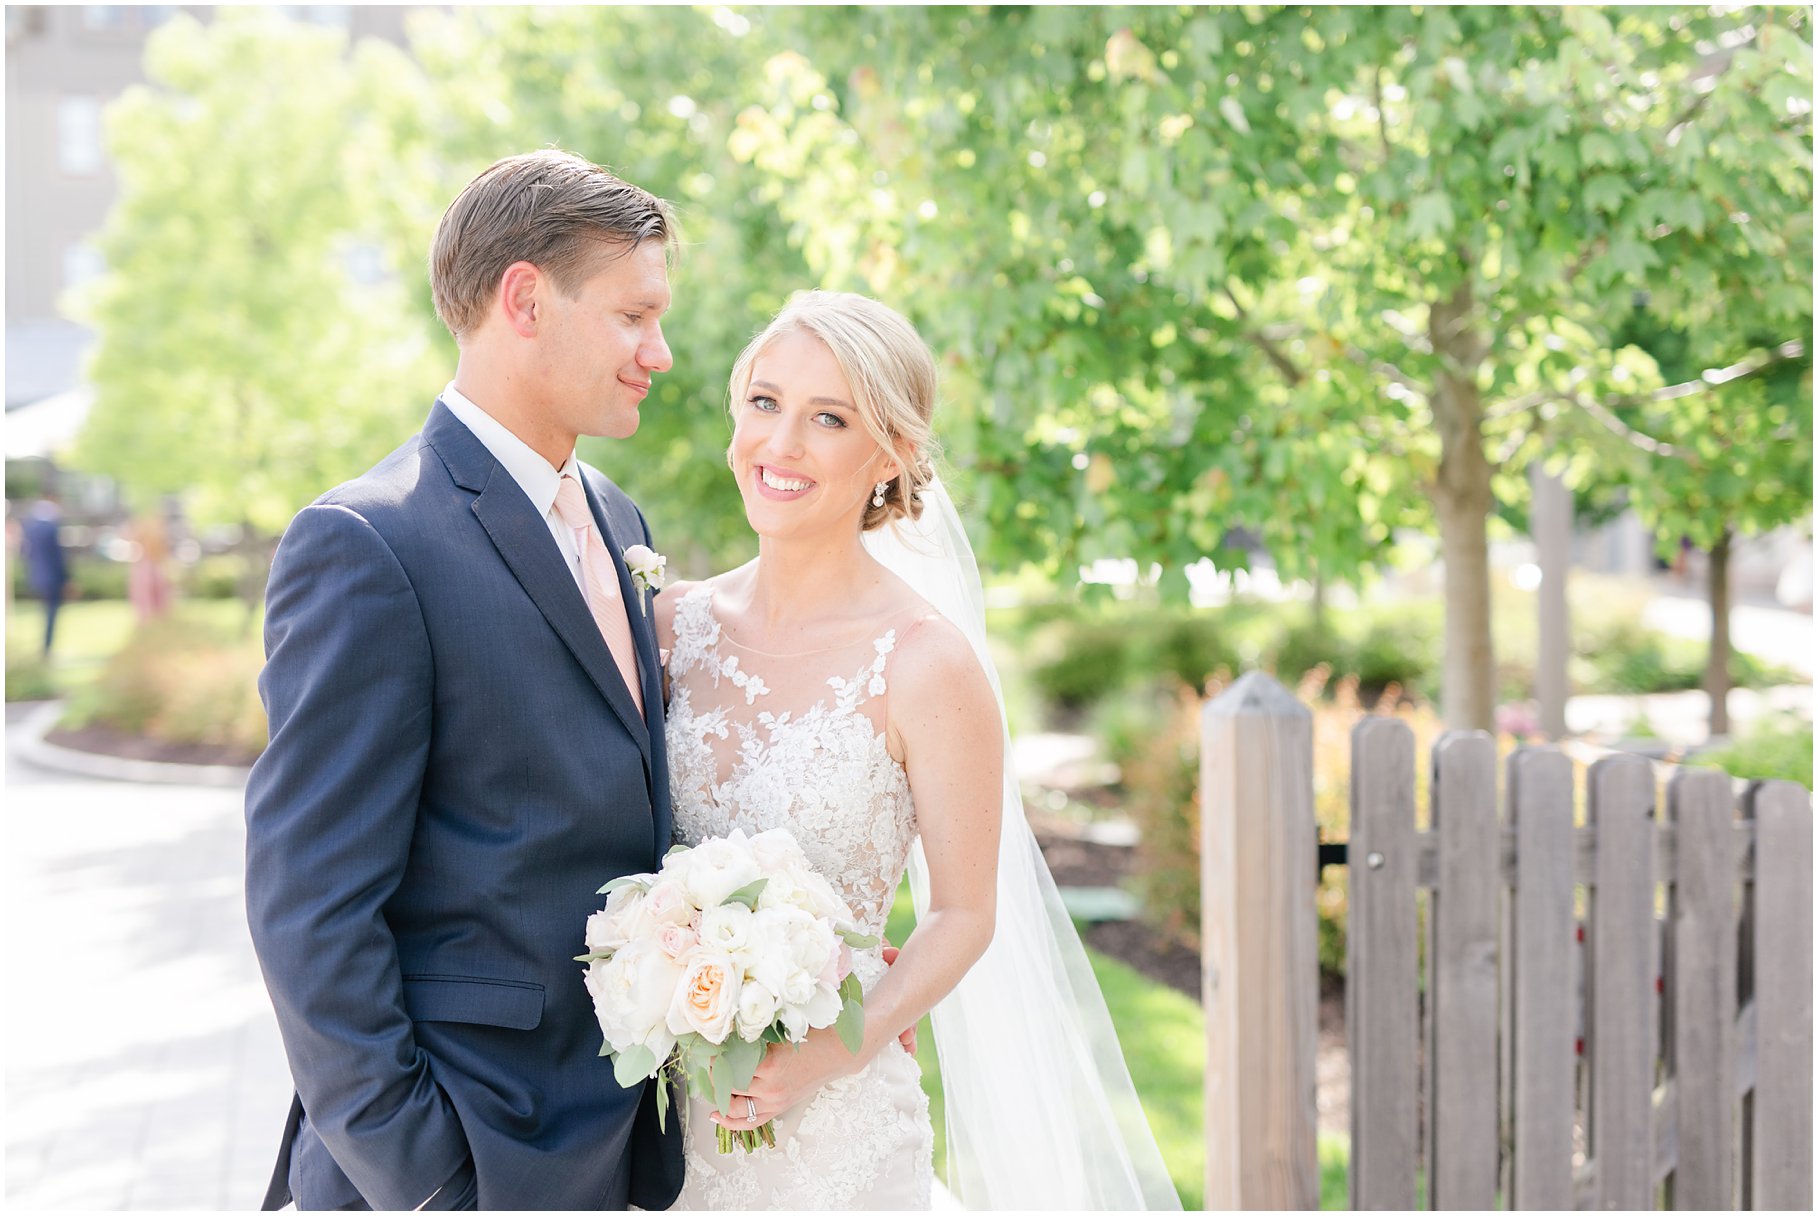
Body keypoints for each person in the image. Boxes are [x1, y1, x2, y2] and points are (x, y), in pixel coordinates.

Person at [655, 292, 1181, 1210]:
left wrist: (829, 1052)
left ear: (889, 455)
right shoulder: (669, 628)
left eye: (830, 418)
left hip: (833, 1133)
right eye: (765, 403)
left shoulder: (925, 663)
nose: (780, 444)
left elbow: (964, 915)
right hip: (657, 1119)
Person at [244, 150, 684, 1211]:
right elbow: (310, 908)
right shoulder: (368, 542)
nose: (658, 354)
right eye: (634, 316)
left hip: (610, 1144)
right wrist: (426, 1175)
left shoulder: (620, 520)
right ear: (525, 298)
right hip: (468, 1157)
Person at [19, 492, 70, 656]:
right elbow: (58, 557)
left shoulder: (31, 526)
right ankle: (47, 648)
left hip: (37, 575)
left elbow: (25, 553)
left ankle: (44, 647)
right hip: (52, 577)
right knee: (50, 613)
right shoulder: (51, 527)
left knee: (44, 612)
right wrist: (66, 579)